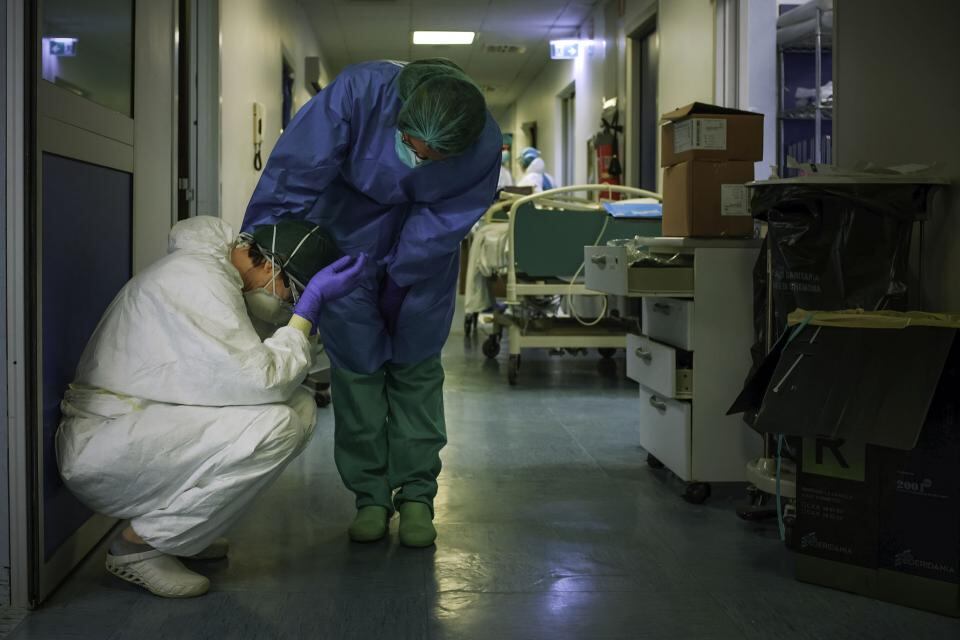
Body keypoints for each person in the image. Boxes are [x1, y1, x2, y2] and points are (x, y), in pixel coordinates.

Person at [243, 58, 501, 548]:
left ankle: (418, 495)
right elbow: (298, 168)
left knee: (416, 366)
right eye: (411, 148)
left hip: (426, 252)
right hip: (344, 232)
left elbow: (449, 216)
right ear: (399, 118)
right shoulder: (362, 93)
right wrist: (267, 246)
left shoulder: (483, 140)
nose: (418, 162)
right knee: (358, 369)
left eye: (434, 159)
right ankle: (370, 496)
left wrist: (403, 275)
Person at [56, 216, 366, 598]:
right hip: (102, 444)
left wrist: (307, 318)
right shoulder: (199, 282)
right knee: (278, 424)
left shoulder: (218, 276)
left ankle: (181, 531)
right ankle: (137, 547)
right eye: (292, 294)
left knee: (298, 405)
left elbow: (259, 368)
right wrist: (306, 315)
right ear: (270, 266)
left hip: (135, 423)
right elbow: (261, 381)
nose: (289, 305)